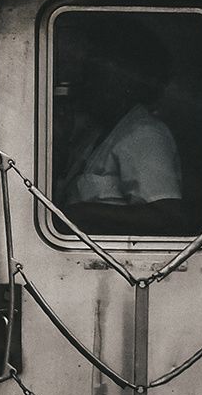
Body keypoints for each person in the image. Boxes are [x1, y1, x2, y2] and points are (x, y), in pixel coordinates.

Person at [58, 17, 190, 236]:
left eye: (98, 70)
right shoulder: (98, 133)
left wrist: (84, 213)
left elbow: (167, 216)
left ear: (126, 79)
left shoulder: (145, 134)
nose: (87, 80)